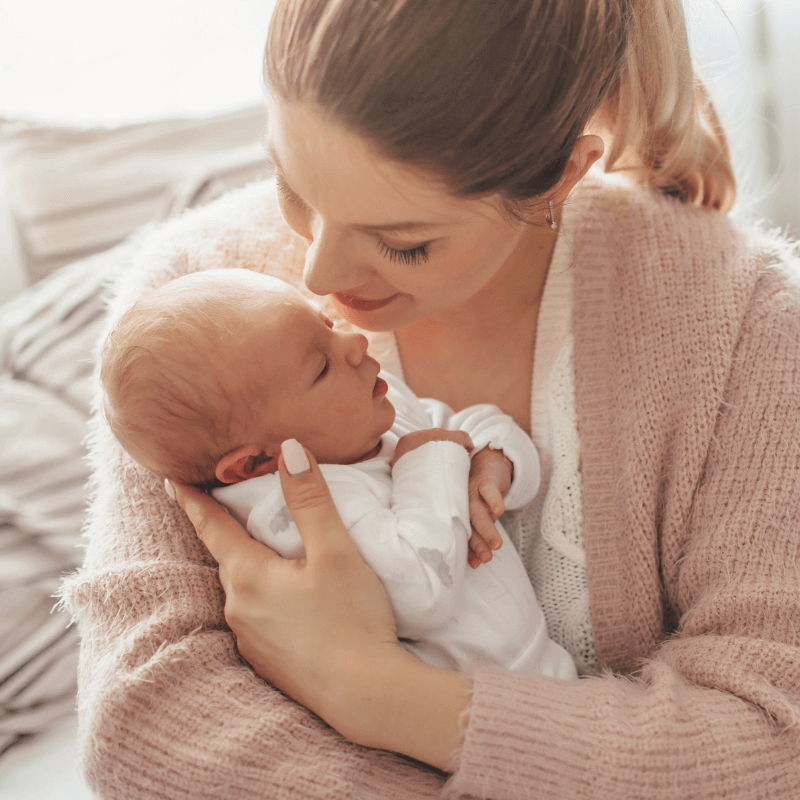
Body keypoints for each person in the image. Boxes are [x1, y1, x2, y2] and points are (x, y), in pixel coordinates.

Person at [60, 0, 800, 798]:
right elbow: (146, 724)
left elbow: (767, 737)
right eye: (292, 184)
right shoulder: (192, 308)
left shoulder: (744, 325)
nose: (318, 278)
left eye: (403, 241)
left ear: (560, 173)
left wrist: (373, 694)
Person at [99, 268, 576, 678]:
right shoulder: (296, 515)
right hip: (474, 707)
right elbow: (421, 593)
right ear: (255, 463)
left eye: (326, 323)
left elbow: (471, 424)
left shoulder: (370, 417)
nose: (354, 341)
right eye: (321, 366)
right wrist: (428, 459)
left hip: (544, 666)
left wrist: (494, 464)